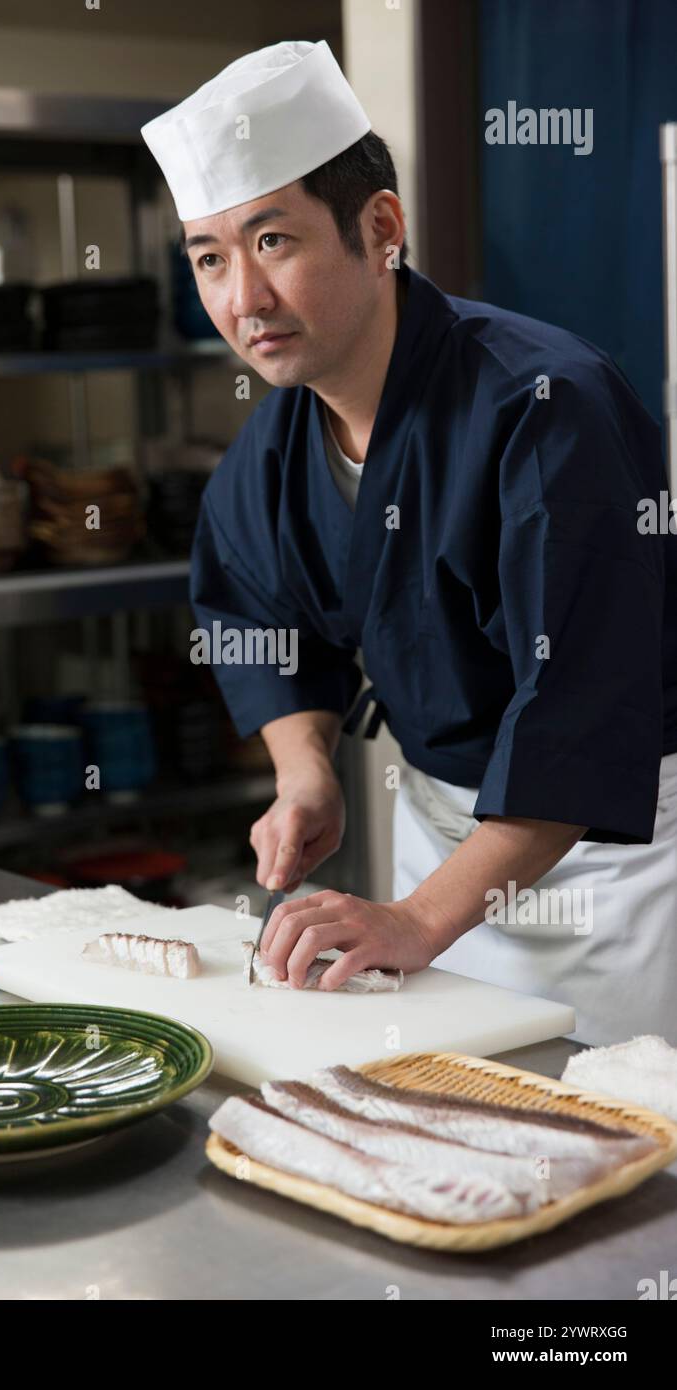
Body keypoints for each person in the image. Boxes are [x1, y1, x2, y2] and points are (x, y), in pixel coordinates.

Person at [141, 40, 677, 1045]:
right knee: (430, 1117)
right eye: (209, 258)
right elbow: (257, 612)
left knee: (604, 1144)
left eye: (271, 241)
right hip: (434, 859)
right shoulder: (274, 446)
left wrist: (417, 918)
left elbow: (578, 709)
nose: (240, 300)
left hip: (605, 860)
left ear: (379, 227)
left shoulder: (542, 407)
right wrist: (305, 770)